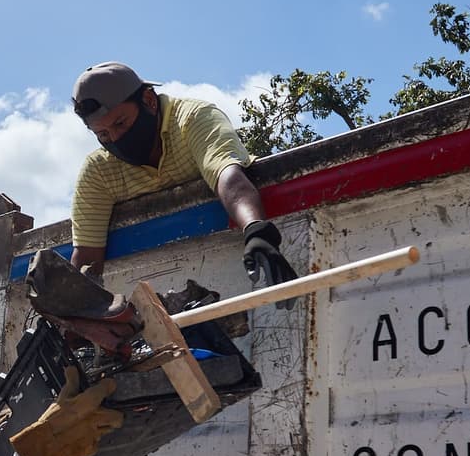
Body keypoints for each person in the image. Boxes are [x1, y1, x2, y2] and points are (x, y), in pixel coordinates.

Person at [69, 61, 298, 308]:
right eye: (102, 135)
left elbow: (228, 177)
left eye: (120, 124)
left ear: (149, 100)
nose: (115, 139)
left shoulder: (194, 119)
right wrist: (72, 309)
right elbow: (87, 259)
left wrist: (256, 231)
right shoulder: (98, 171)